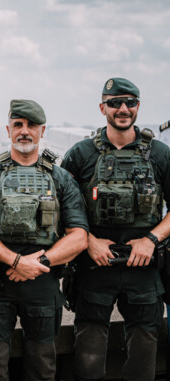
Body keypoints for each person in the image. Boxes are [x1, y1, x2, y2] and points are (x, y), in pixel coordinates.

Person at [0, 99, 88, 381]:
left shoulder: (59, 178)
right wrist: (16, 261)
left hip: (43, 284)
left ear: (42, 130)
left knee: (42, 365)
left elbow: (79, 236)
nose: (25, 131)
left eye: (31, 125)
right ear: (8, 129)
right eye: (18, 125)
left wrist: (39, 263)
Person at [61, 78, 170, 381]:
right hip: (94, 265)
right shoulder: (80, 154)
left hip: (145, 265)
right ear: (102, 107)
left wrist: (150, 240)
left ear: (138, 106)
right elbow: (62, 210)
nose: (123, 109)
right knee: (89, 353)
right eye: (114, 102)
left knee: (144, 352)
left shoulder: (160, 154)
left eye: (130, 102)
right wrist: (89, 242)